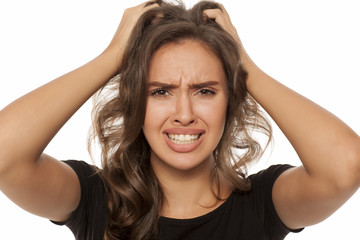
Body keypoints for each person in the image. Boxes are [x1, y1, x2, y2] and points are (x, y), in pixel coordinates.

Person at [0, 0, 359, 239]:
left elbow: (346, 165)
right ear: (134, 103)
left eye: (205, 91)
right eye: (160, 91)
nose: (184, 115)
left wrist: (244, 67)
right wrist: (112, 58)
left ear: (230, 101)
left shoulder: (264, 203)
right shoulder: (96, 199)